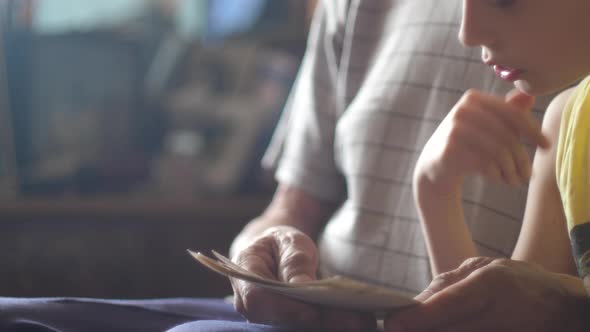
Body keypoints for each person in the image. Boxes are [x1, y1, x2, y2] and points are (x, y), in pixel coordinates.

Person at [0, 0, 553, 331]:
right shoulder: (360, 5)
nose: (471, 29)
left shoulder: (561, 40)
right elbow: (291, 207)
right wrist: (260, 252)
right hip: (309, 311)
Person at [385, 0, 590, 330]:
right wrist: (436, 191)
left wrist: (569, 303)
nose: (468, 34)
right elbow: (500, 318)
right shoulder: (569, 127)